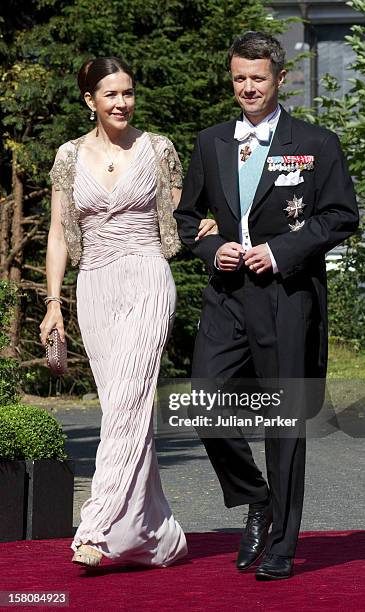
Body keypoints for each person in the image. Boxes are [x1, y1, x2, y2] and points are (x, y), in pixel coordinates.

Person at [174, 31, 359, 580]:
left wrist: (279, 251)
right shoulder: (211, 142)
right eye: (239, 78)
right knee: (206, 399)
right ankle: (256, 498)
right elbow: (188, 218)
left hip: (285, 296)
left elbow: (340, 215)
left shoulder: (317, 144)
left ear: (280, 79)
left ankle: (283, 543)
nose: (248, 88)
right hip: (228, 298)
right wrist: (212, 247)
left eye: (258, 78)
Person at [39, 57, 216, 568]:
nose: (122, 103)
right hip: (93, 283)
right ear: (89, 100)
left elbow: (183, 213)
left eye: (129, 93)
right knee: (124, 407)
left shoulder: (157, 149)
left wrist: (207, 225)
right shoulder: (69, 156)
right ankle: (156, 534)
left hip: (145, 275)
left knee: (130, 403)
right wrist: (53, 304)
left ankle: (93, 528)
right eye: (111, 94)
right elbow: (57, 232)